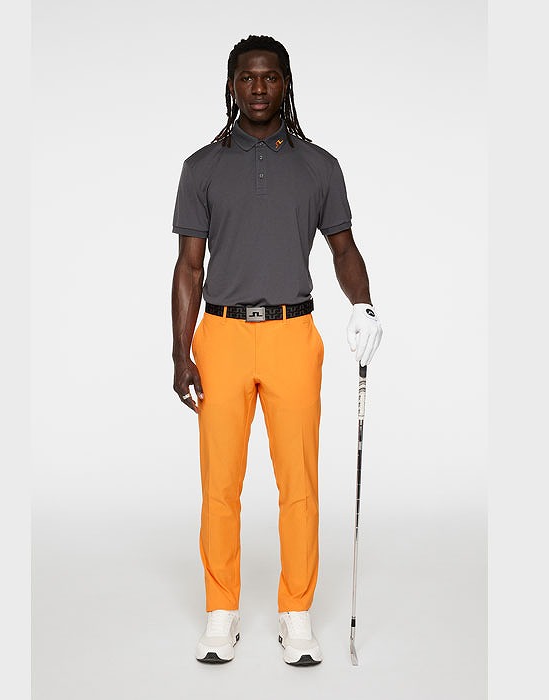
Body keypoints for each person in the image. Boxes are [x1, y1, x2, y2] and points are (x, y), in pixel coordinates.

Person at [171, 35, 382, 666]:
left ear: (286, 83)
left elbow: (342, 247)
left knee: (299, 482)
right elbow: (188, 267)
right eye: (247, 77)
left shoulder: (319, 166)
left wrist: (364, 304)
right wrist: (181, 352)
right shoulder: (202, 167)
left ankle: (296, 612)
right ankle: (222, 611)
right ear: (231, 85)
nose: (258, 88)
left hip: (293, 332)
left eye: (269, 77)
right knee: (220, 484)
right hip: (223, 335)